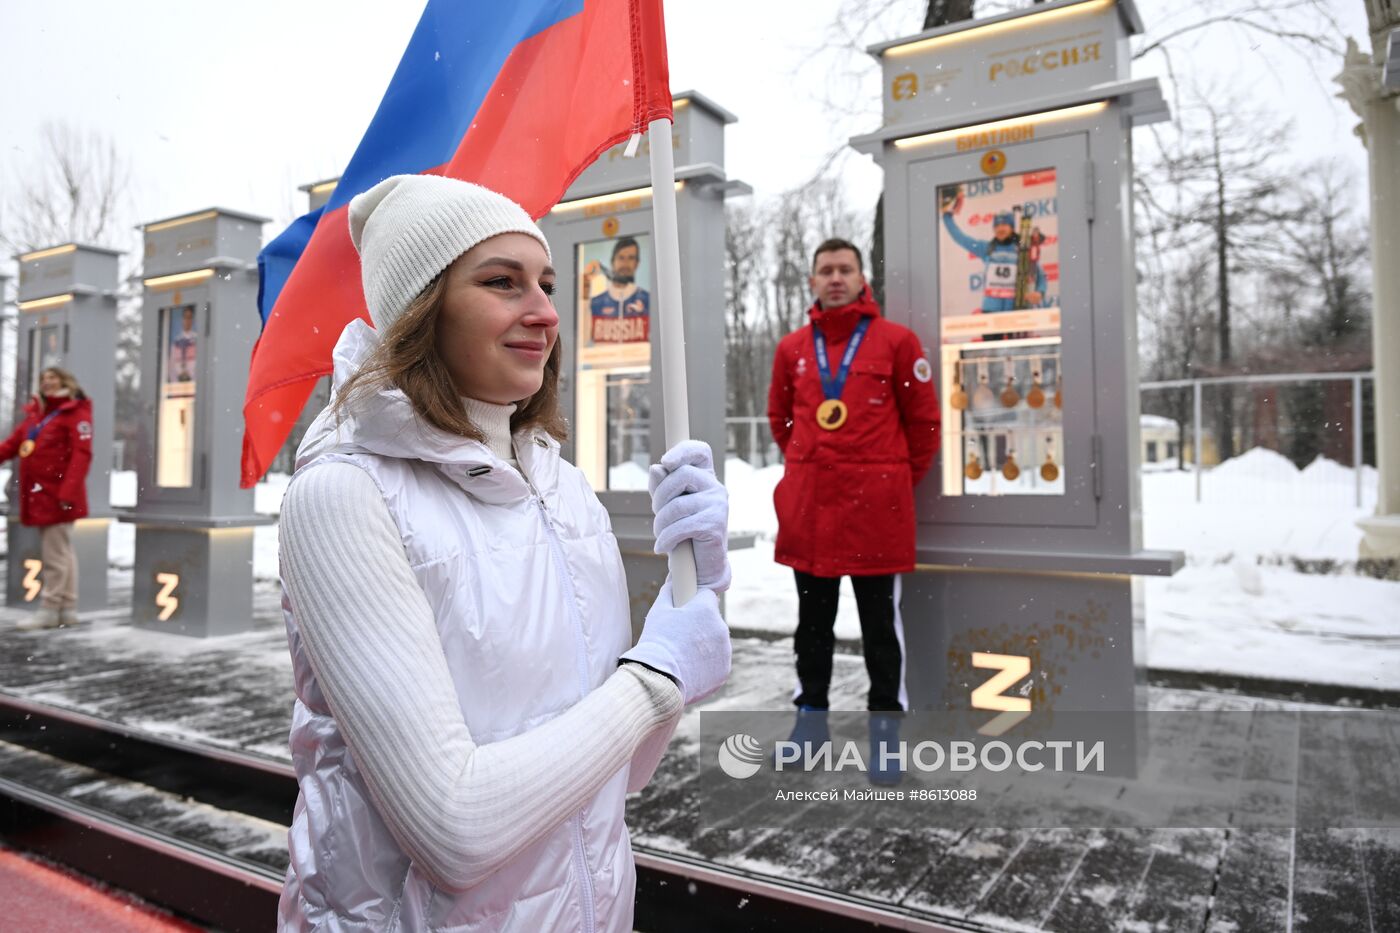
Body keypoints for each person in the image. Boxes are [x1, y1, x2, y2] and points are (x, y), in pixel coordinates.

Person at [276, 174, 732, 932]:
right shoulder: (343, 497)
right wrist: (655, 677)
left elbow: (619, 773)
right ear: (421, 310)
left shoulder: (562, 488)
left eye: (548, 284)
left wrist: (698, 588)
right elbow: (455, 827)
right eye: (502, 282)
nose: (547, 312)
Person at [767, 238, 939, 786]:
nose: (835, 278)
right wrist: (809, 465)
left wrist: (887, 477)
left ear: (863, 279)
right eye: (826, 270)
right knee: (811, 629)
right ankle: (809, 731)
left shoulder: (895, 341)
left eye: (845, 269)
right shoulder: (793, 348)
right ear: (813, 281)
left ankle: (885, 743)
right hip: (811, 513)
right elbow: (780, 421)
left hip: (875, 517)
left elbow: (925, 425)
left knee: (880, 634)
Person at [0, 367, 94, 630]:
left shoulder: (75, 413)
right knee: (62, 552)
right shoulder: (36, 416)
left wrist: (68, 492)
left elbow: (81, 455)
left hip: (58, 495)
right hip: (42, 495)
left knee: (55, 555)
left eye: (53, 378)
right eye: (43, 379)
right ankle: (67, 608)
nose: (47, 383)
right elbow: (11, 445)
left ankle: (50, 609)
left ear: (66, 381)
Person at [940, 199, 1046, 312]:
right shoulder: (986, 248)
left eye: (1005, 224)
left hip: (1018, 311)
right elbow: (960, 237)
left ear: (1011, 228)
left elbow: (1040, 275)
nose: (1000, 228)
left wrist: (1039, 292)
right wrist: (947, 215)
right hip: (991, 312)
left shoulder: (1023, 249)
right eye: (997, 225)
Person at [584, 236, 650, 343]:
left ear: (637, 263)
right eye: (621, 258)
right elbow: (582, 341)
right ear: (612, 262)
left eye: (631, 258)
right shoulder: (595, 303)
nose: (625, 263)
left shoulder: (649, 301)